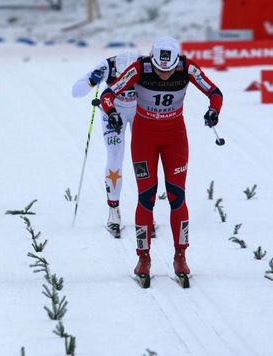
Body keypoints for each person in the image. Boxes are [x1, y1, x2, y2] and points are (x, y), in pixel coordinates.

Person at [99, 36, 223, 286]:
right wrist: (111, 113)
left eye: (168, 70)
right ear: (151, 61)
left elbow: (214, 91)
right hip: (144, 137)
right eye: (158, 69)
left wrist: (213, 110)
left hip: (175, 137)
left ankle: (181, 255)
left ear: (176, 61)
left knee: (177, 196)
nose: (163, 75)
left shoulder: (187, 68)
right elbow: (108, 95)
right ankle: (143, 257)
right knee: (147, 196)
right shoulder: (140, 68)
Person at [72, 50, 138, 238]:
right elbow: (76, 91)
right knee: (115, 158)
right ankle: (113, 212)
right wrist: (92, 81)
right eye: (121, 77)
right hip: (112, 112)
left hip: (137, 112)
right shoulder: (106, 66)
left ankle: (146, 212)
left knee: (143, 159)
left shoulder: (144, 64)